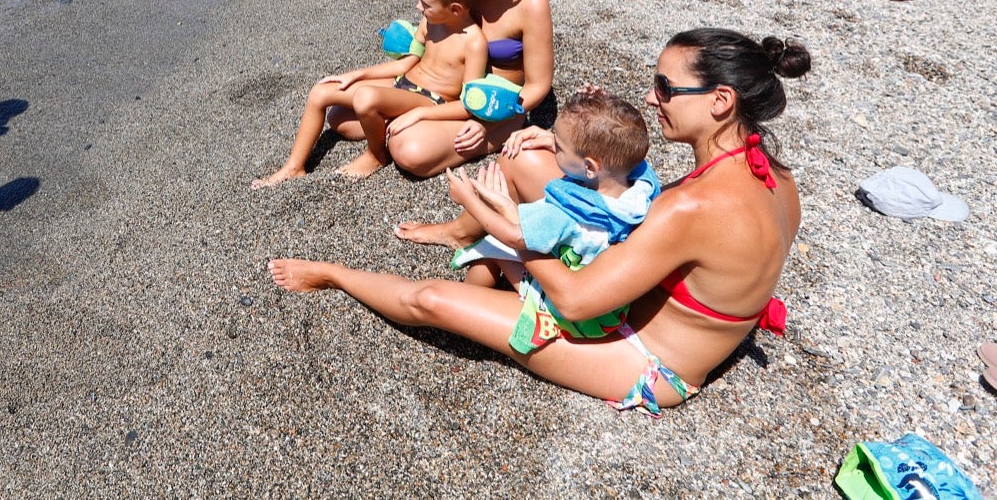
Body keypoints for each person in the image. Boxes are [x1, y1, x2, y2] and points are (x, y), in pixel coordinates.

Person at [271, 27, 809, 416]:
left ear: (720, 101)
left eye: (666, 89)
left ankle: (334, 275)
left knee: (429, 300)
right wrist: (553, 140)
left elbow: (576, 301)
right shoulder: (776, 177)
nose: (652, 97)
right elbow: (637, 203)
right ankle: (472, 239)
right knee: (526, 160)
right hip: (635, 297)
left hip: (644, 357)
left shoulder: (692, 207)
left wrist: (514, 232)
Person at [447, 89, 659, 354]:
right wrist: (564, 139)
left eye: (558, 147)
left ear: (591, 167)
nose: (553, 147)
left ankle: (463, 311)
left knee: (493, 245)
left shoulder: (568, 212)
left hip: (572, 317)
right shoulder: (639, 187)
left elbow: (513, 236)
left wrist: (469, 200)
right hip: (607, 311)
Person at [252, 0, 486, 187]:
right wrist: (357, 75)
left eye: (425, 5)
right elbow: (406, 64)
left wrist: (419, 114)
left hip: (430, 101)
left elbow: (468, 105)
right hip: (402, 85)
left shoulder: (474, 43)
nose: (418, 8)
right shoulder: (430, 23)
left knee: (365, 99)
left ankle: (376, 155)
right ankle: (294, 167)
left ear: (455, 9)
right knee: (322, 92)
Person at [387, 0, 553, 190]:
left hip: (498, 108)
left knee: (408, 151)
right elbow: (427, 38)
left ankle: (487, 138)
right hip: (444, 95)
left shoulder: (531, 2)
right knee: (342, 118)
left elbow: (538, 85)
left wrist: (487, 121)